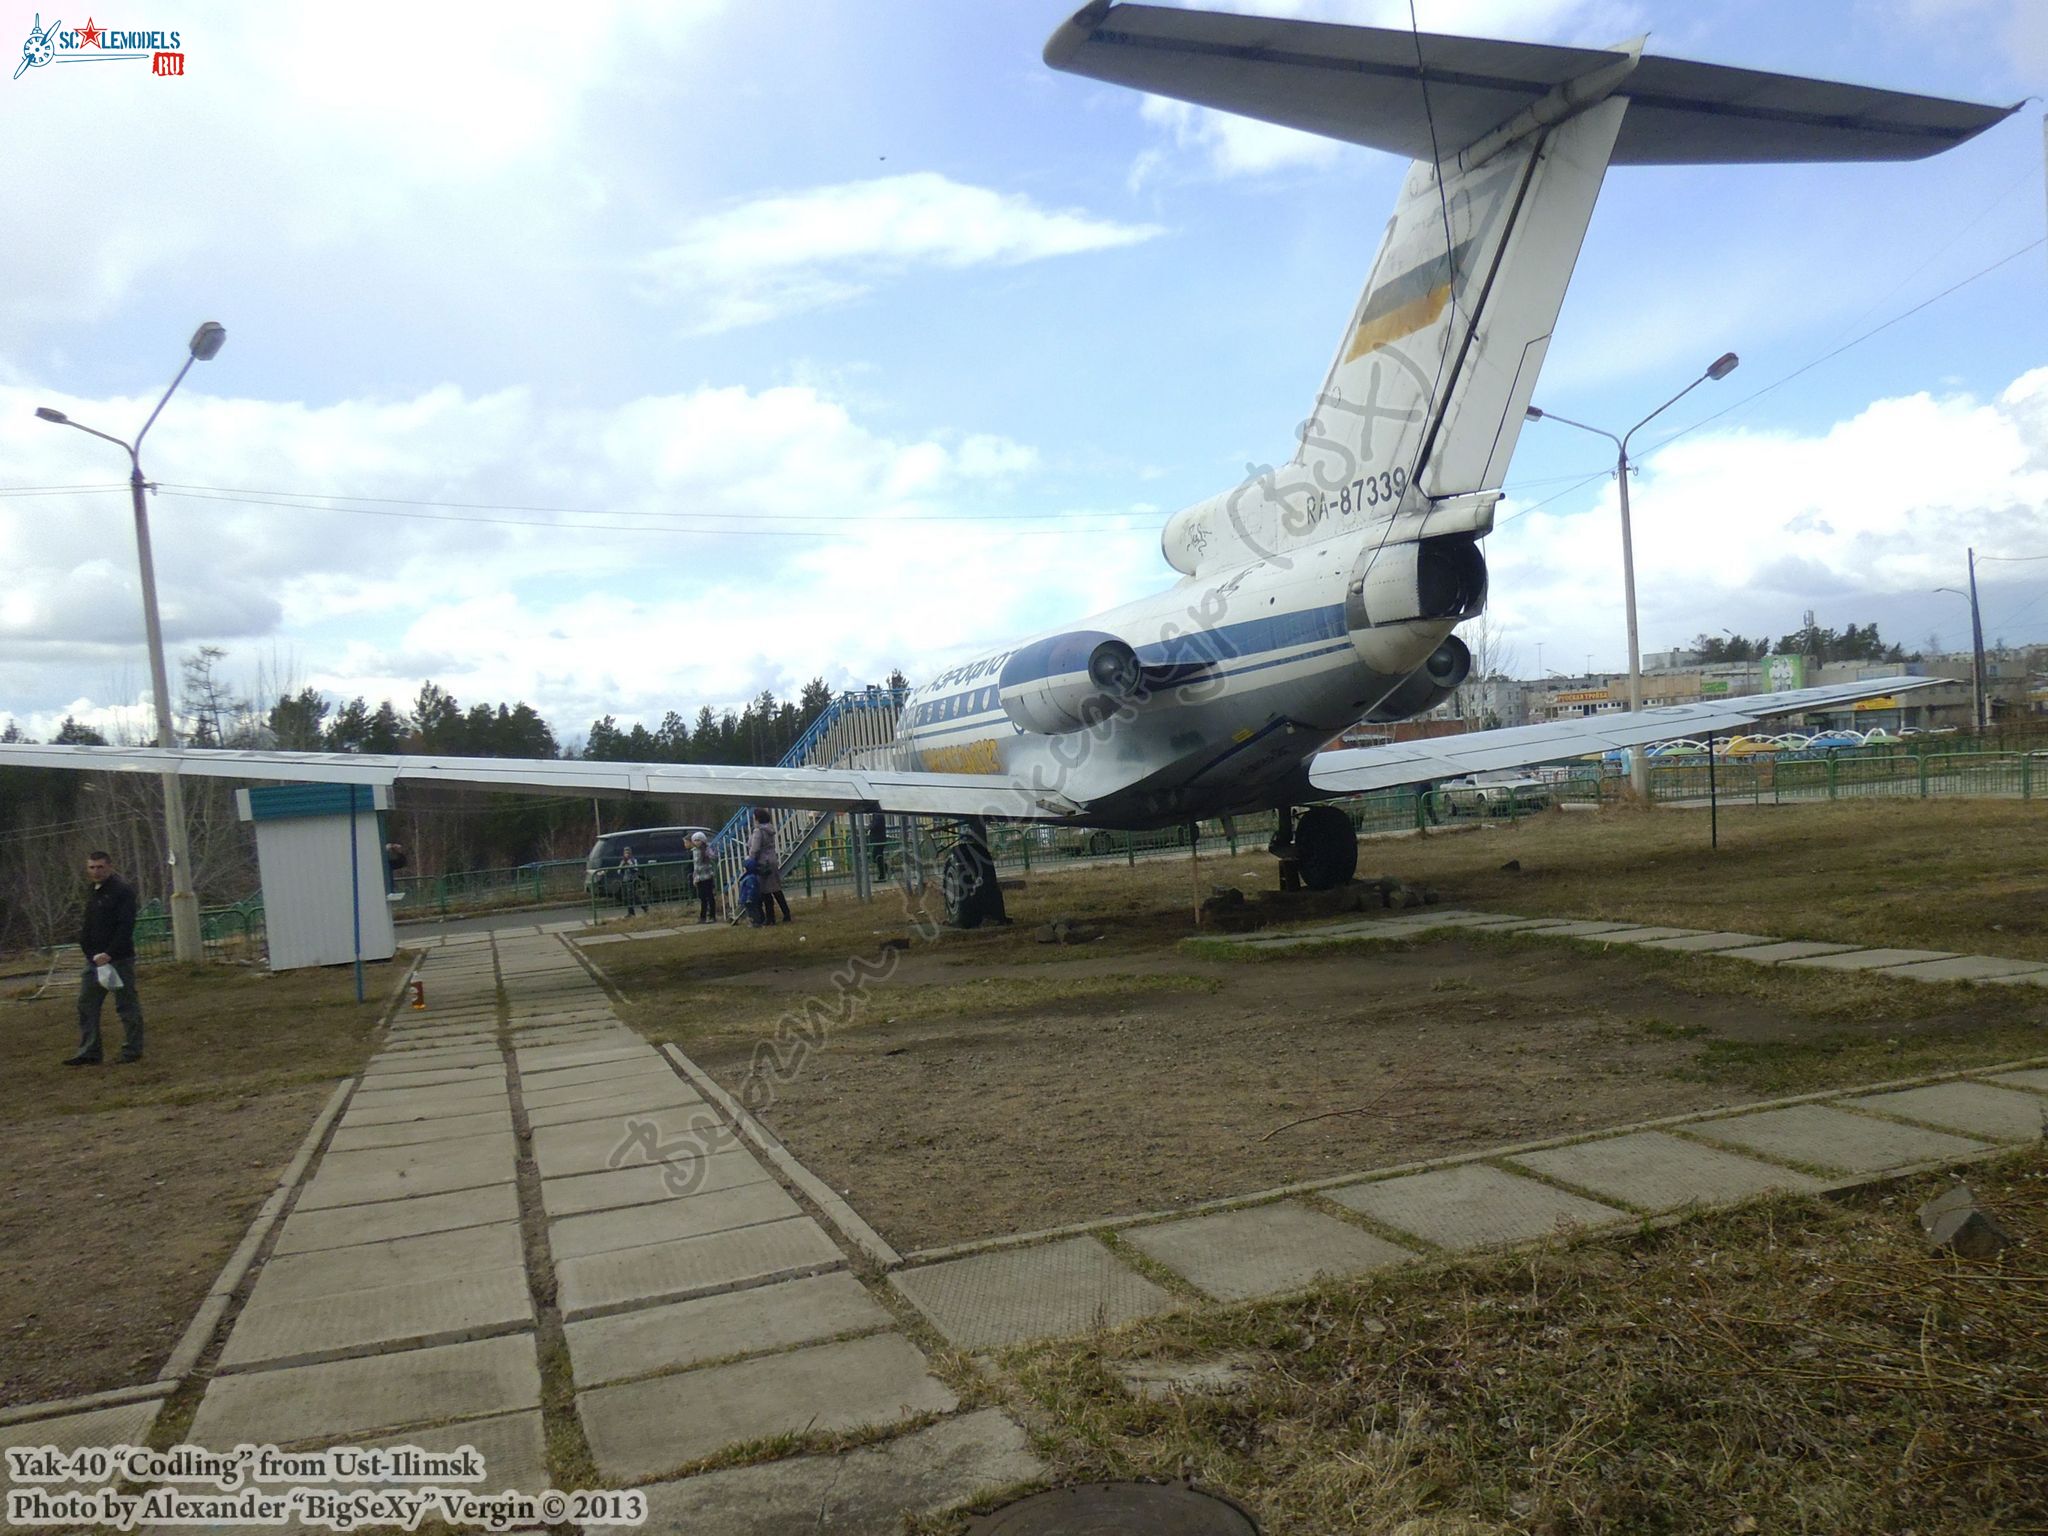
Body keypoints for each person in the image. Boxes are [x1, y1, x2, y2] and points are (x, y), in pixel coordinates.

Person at [71, 850, 144, 1066]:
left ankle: (132, 1050)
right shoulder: (92, 891)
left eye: (100, 867)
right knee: (86, 1004)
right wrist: (90, 953)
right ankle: (89, 1051)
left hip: (119, 960)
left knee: (126, 1005)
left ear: (109, 867)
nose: (96, 871)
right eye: (92, 867)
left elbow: (125, 926)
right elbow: (88, 926)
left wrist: (109, 953)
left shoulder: (122, 892)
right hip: (94, 961)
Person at [745, 808, 793, 924]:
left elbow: (755, 848)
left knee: (765, 891)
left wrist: (749, 859)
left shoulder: (758, 831)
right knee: (776, 889)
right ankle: (786, 913)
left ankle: (770, 918)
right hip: (772, 860)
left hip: (762, 863)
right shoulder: (769, 829)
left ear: (757, 819)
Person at [690, 831, 717, 923]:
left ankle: (712, 915)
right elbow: (695, 866)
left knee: (710, 897)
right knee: (702, 898)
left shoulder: (706, 849)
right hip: (699, 877)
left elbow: (713, 856)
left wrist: (710, 851)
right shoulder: (694, 851)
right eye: (695, 840)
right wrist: (695, 878)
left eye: (699, 840)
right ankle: (703, 916)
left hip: (707, 877)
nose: (697, 842)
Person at [736, 857, 766, 927]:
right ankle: (754, 922)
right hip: (746, 897)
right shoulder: (749, 877)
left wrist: (749, 898)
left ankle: (756, 922)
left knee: (753, 911)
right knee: (750, 911)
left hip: (749, 899)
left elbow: (751, 889)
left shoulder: (750, 878)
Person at [618, 845, 643, 918]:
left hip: (632, 880)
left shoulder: (633, 860)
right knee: (627, 897)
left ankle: (643, 907)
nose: (627, 854)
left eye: (628, 853)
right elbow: (619, 871)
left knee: (632, 896)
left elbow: (636, 869)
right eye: (626, 853)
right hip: (625, 880)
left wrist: (630, 863)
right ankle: (631, 913)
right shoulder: (623, 861)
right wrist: (622, 865)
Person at [867, 810, 889, 882]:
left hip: (879, 839)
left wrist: (869, 827)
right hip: (878, 839)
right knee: (877, 856)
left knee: (877, 856)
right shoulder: (876, 814)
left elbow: (875, 825)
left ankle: (883, 873)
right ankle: (884, 870)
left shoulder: (878, 814)